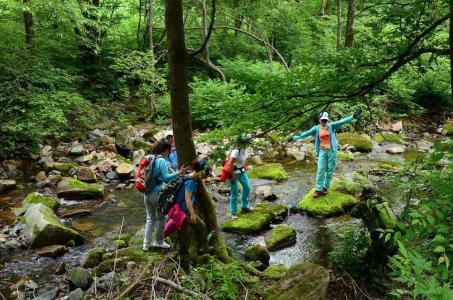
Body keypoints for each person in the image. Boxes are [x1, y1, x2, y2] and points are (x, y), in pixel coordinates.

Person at [287, 109, 362, 198]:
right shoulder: (316, 128)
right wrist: (294, 138)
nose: (324, 121)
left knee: (330, 170)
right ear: (320, 120)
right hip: (322, 151)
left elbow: (342, 121)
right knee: (320, 170)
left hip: (332, 151)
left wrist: (352, 116)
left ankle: (325, 187)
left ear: (327, 120)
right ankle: (318, 189)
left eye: (325, 120)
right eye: (322, 120)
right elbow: (306, 133)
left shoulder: (331, 126)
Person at [143, 139, 186, 251]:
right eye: (169, 151)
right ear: (166, 150)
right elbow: (166, 178)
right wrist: (179, 173)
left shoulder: (149, 158)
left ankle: (145, 245)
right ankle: (159, 241)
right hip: (157, 192)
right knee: (162, 217)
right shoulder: (161, 160)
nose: (169, 153)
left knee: (150, 218)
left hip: (146, 191)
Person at [174, 160, 213, 257]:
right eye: (206, 174)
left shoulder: (188, 176)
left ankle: (202, 248)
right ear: (202, 171)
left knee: (202, 226)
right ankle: (183, 258)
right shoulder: (191, 181)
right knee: (185, 237)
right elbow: (187, 199)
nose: (206, 176)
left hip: (184, 209)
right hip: (183, 212)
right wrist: (192, 215)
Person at [229, 133, 253, 219]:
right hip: (234, 174)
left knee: (247, 188)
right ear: (244, 141)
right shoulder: (236, 151)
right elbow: (230, 165)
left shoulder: (245, 149)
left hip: (242, 172)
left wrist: (244, 167)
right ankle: (233, 213)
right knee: (234, 194)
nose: (249, 143)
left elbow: (244, 160)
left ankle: (244, 206)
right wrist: (233, 176)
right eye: (248, 141)